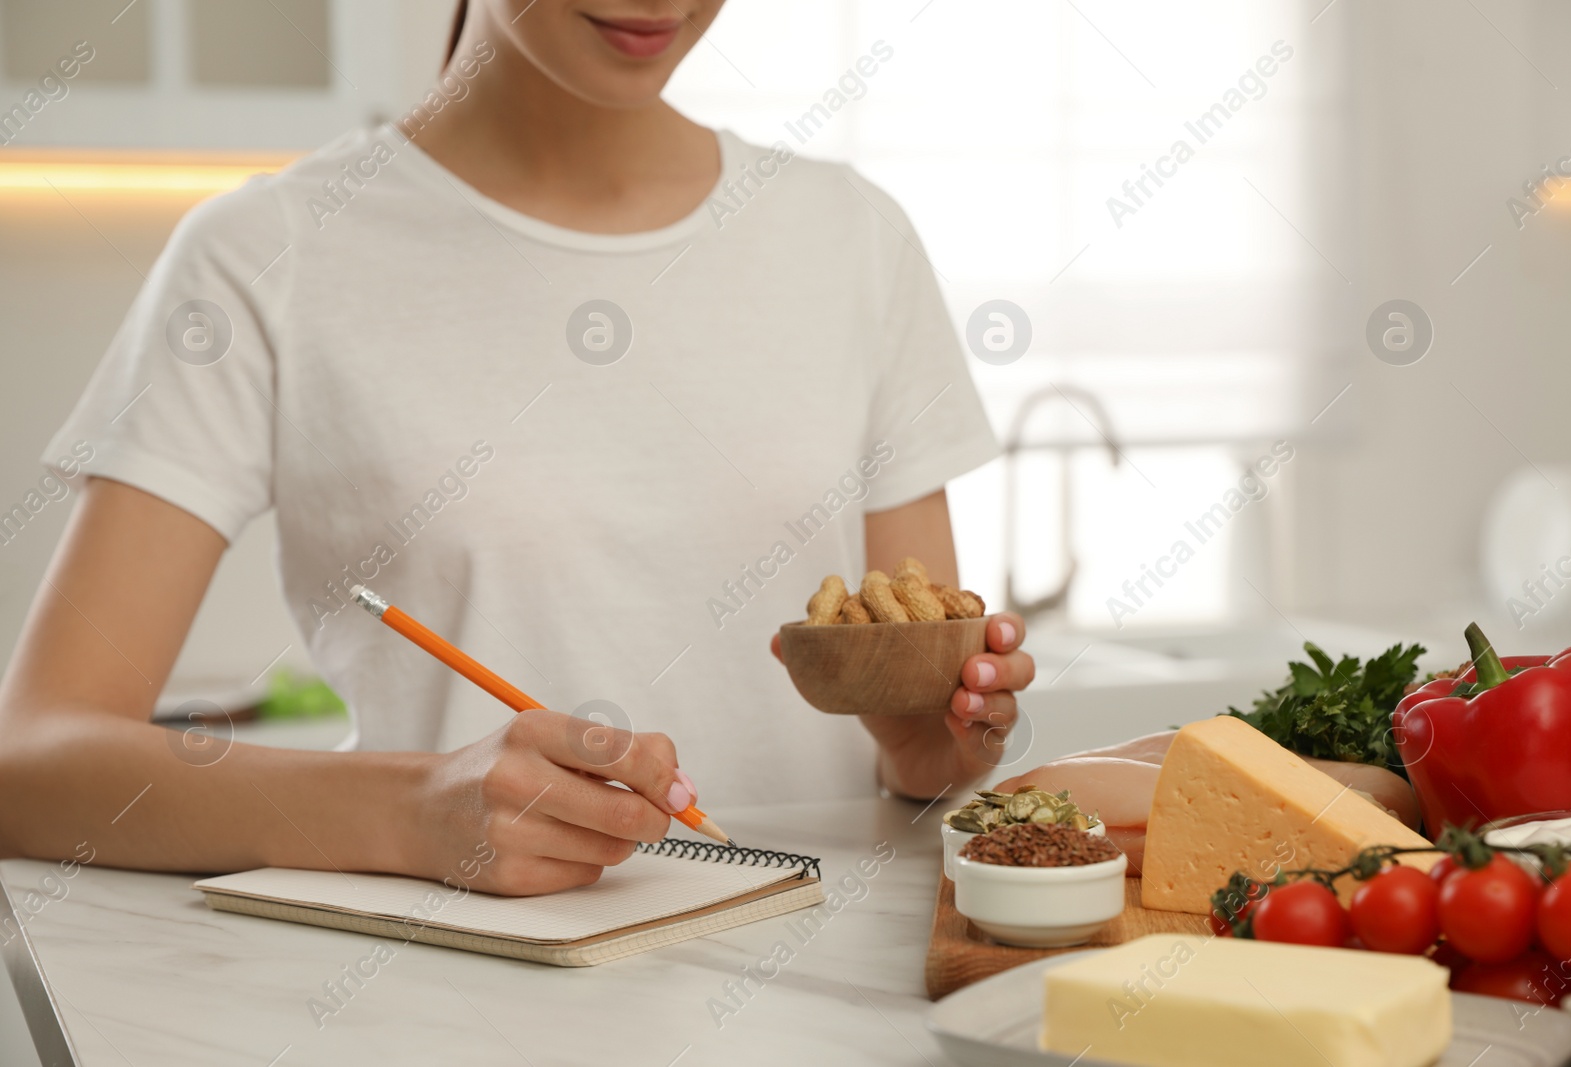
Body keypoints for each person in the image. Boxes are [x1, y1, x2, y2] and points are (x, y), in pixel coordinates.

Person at [0, 0, 1033, 895]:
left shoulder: (851, 237)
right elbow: (30, 765)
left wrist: (920, 746)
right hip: (442, 1006)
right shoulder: (262, 255)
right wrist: (412, 809)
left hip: (809, 1003)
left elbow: (920, 738)